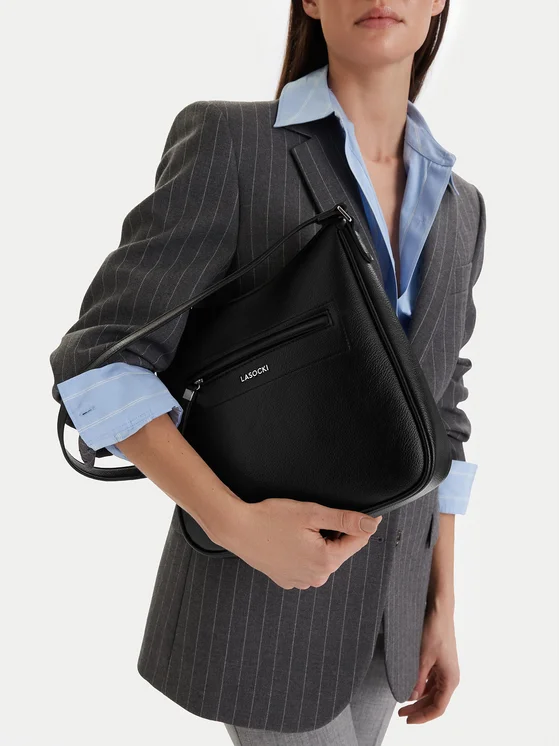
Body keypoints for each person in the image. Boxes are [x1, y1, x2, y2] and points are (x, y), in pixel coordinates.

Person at [49, 0, 486, 743]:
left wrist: (441, 605)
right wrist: (237, 525)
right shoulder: (232, 144)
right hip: (258, 607)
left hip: (391, 618)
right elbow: (101, 360)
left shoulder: (461, 205)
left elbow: (442, 410)